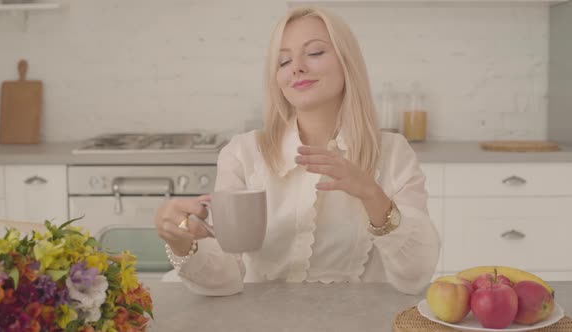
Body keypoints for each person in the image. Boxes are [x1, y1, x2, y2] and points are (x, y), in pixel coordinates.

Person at [154, 7, 440, 296]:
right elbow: (224, 280)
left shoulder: (392, 153)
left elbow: (415, 275)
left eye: (315, 53)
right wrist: (182, 242)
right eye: (284, 60)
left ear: (347, 61)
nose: (297, 67)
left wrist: (372, 194)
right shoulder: (243, 154)